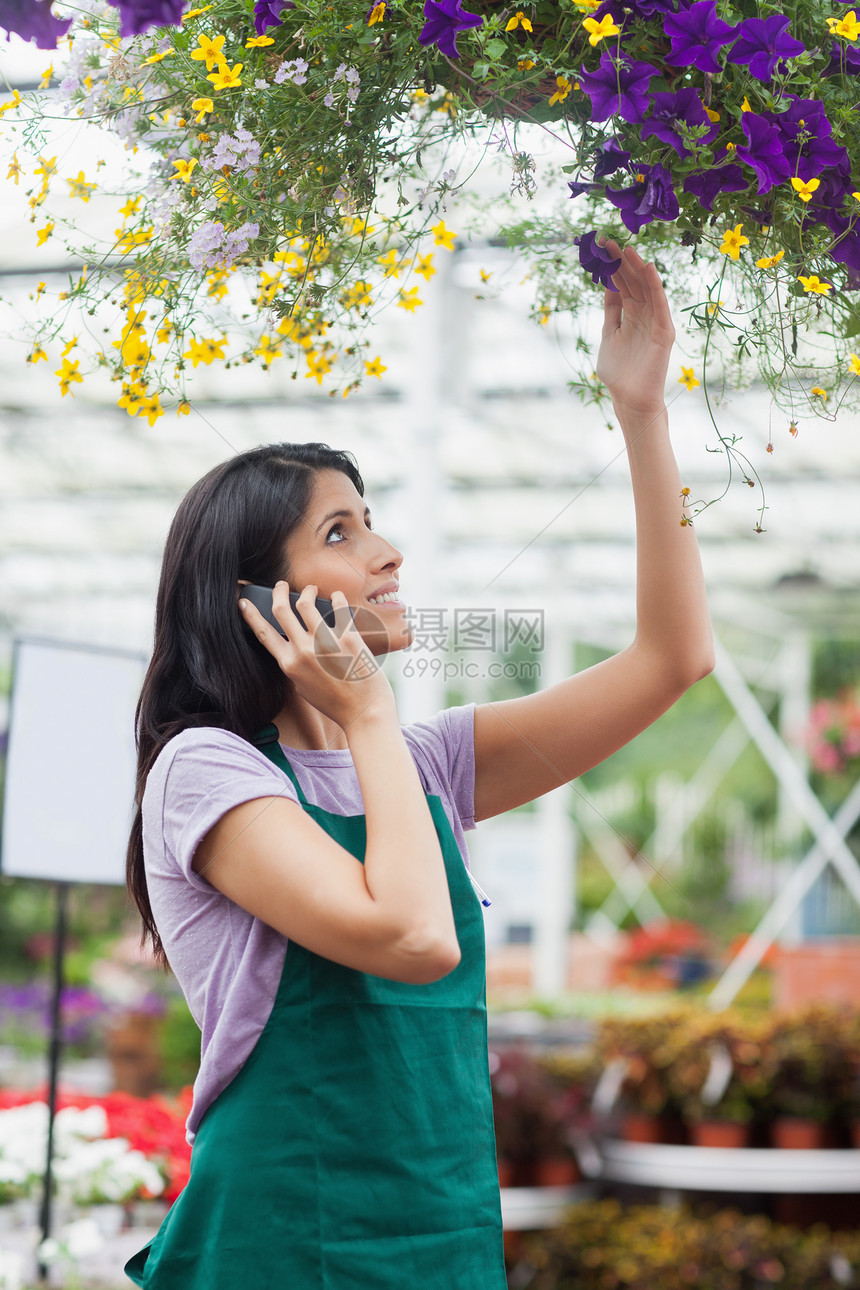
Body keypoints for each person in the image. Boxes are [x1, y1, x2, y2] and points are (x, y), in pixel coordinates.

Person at [124, 242, 713, 1289]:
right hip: (279, 1240)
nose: (387, 551)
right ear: (258, 602)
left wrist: (640, 411)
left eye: (374, 519)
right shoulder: (206, 773)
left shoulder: (420, 760)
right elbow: (408, 935)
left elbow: (672, 660)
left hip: (436, 1226)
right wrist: (366, 715)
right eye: (341, 532)